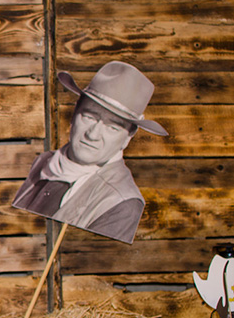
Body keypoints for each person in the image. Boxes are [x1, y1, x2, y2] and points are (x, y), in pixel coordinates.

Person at [12, 61, 169, 244]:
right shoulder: (43, 162)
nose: (93, 134)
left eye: (112, 127)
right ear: (74, 114)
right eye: (89, 116)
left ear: (128, 137)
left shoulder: (122, 204)